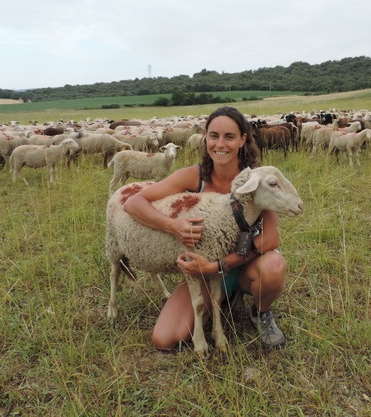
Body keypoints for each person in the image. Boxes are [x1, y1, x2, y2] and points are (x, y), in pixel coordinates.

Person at [122, 106, 287, 350]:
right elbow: (134, 202)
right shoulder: (192, 177)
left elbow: (269, 241)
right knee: (164, 339)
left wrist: (217, 266)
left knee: (273, 265)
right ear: (205, 138)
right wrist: (173, 226)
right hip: (202, 274)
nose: (220, 144)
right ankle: (216, 303)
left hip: (240, 268)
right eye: (214, 136)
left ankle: (260, 312)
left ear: (243, 140)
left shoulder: (255, 181)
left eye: (229, 137)